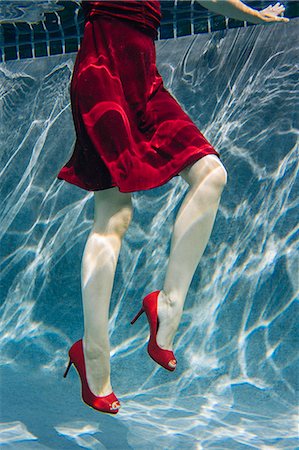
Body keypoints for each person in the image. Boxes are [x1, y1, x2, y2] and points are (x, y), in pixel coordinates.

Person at [59, 1, 289, 414]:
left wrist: (253, 15)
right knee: (114, 214)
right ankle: (93, 354)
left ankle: (167, 304)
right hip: (101, 71)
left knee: (211, 174)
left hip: (145, 80)